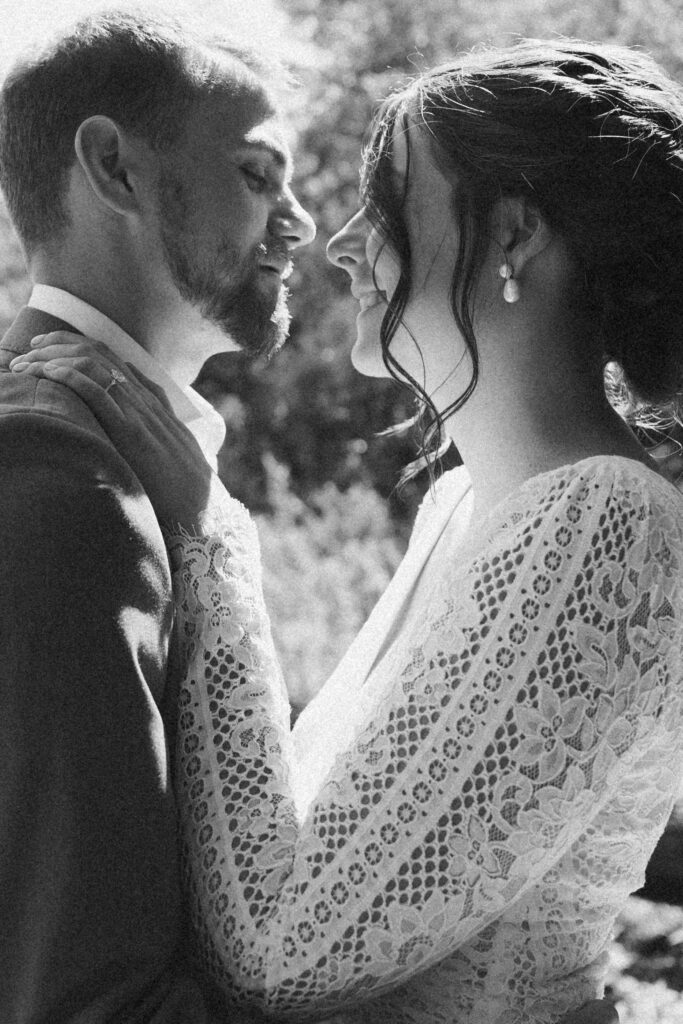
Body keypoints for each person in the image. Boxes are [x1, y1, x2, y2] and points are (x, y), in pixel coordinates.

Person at [16, 37, 683, 1024]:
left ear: (510, 234)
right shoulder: (462, 505)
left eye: (387, 204)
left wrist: (209, 532)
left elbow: (285, 948)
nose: (339, 243)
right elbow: (302, 844)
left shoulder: (603, 527)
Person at [0, 8, 315, 1022]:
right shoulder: (64, 484)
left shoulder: (101, 456)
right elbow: (95, 1000)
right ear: (115, 168)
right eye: (259, 175)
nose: (300, 223)